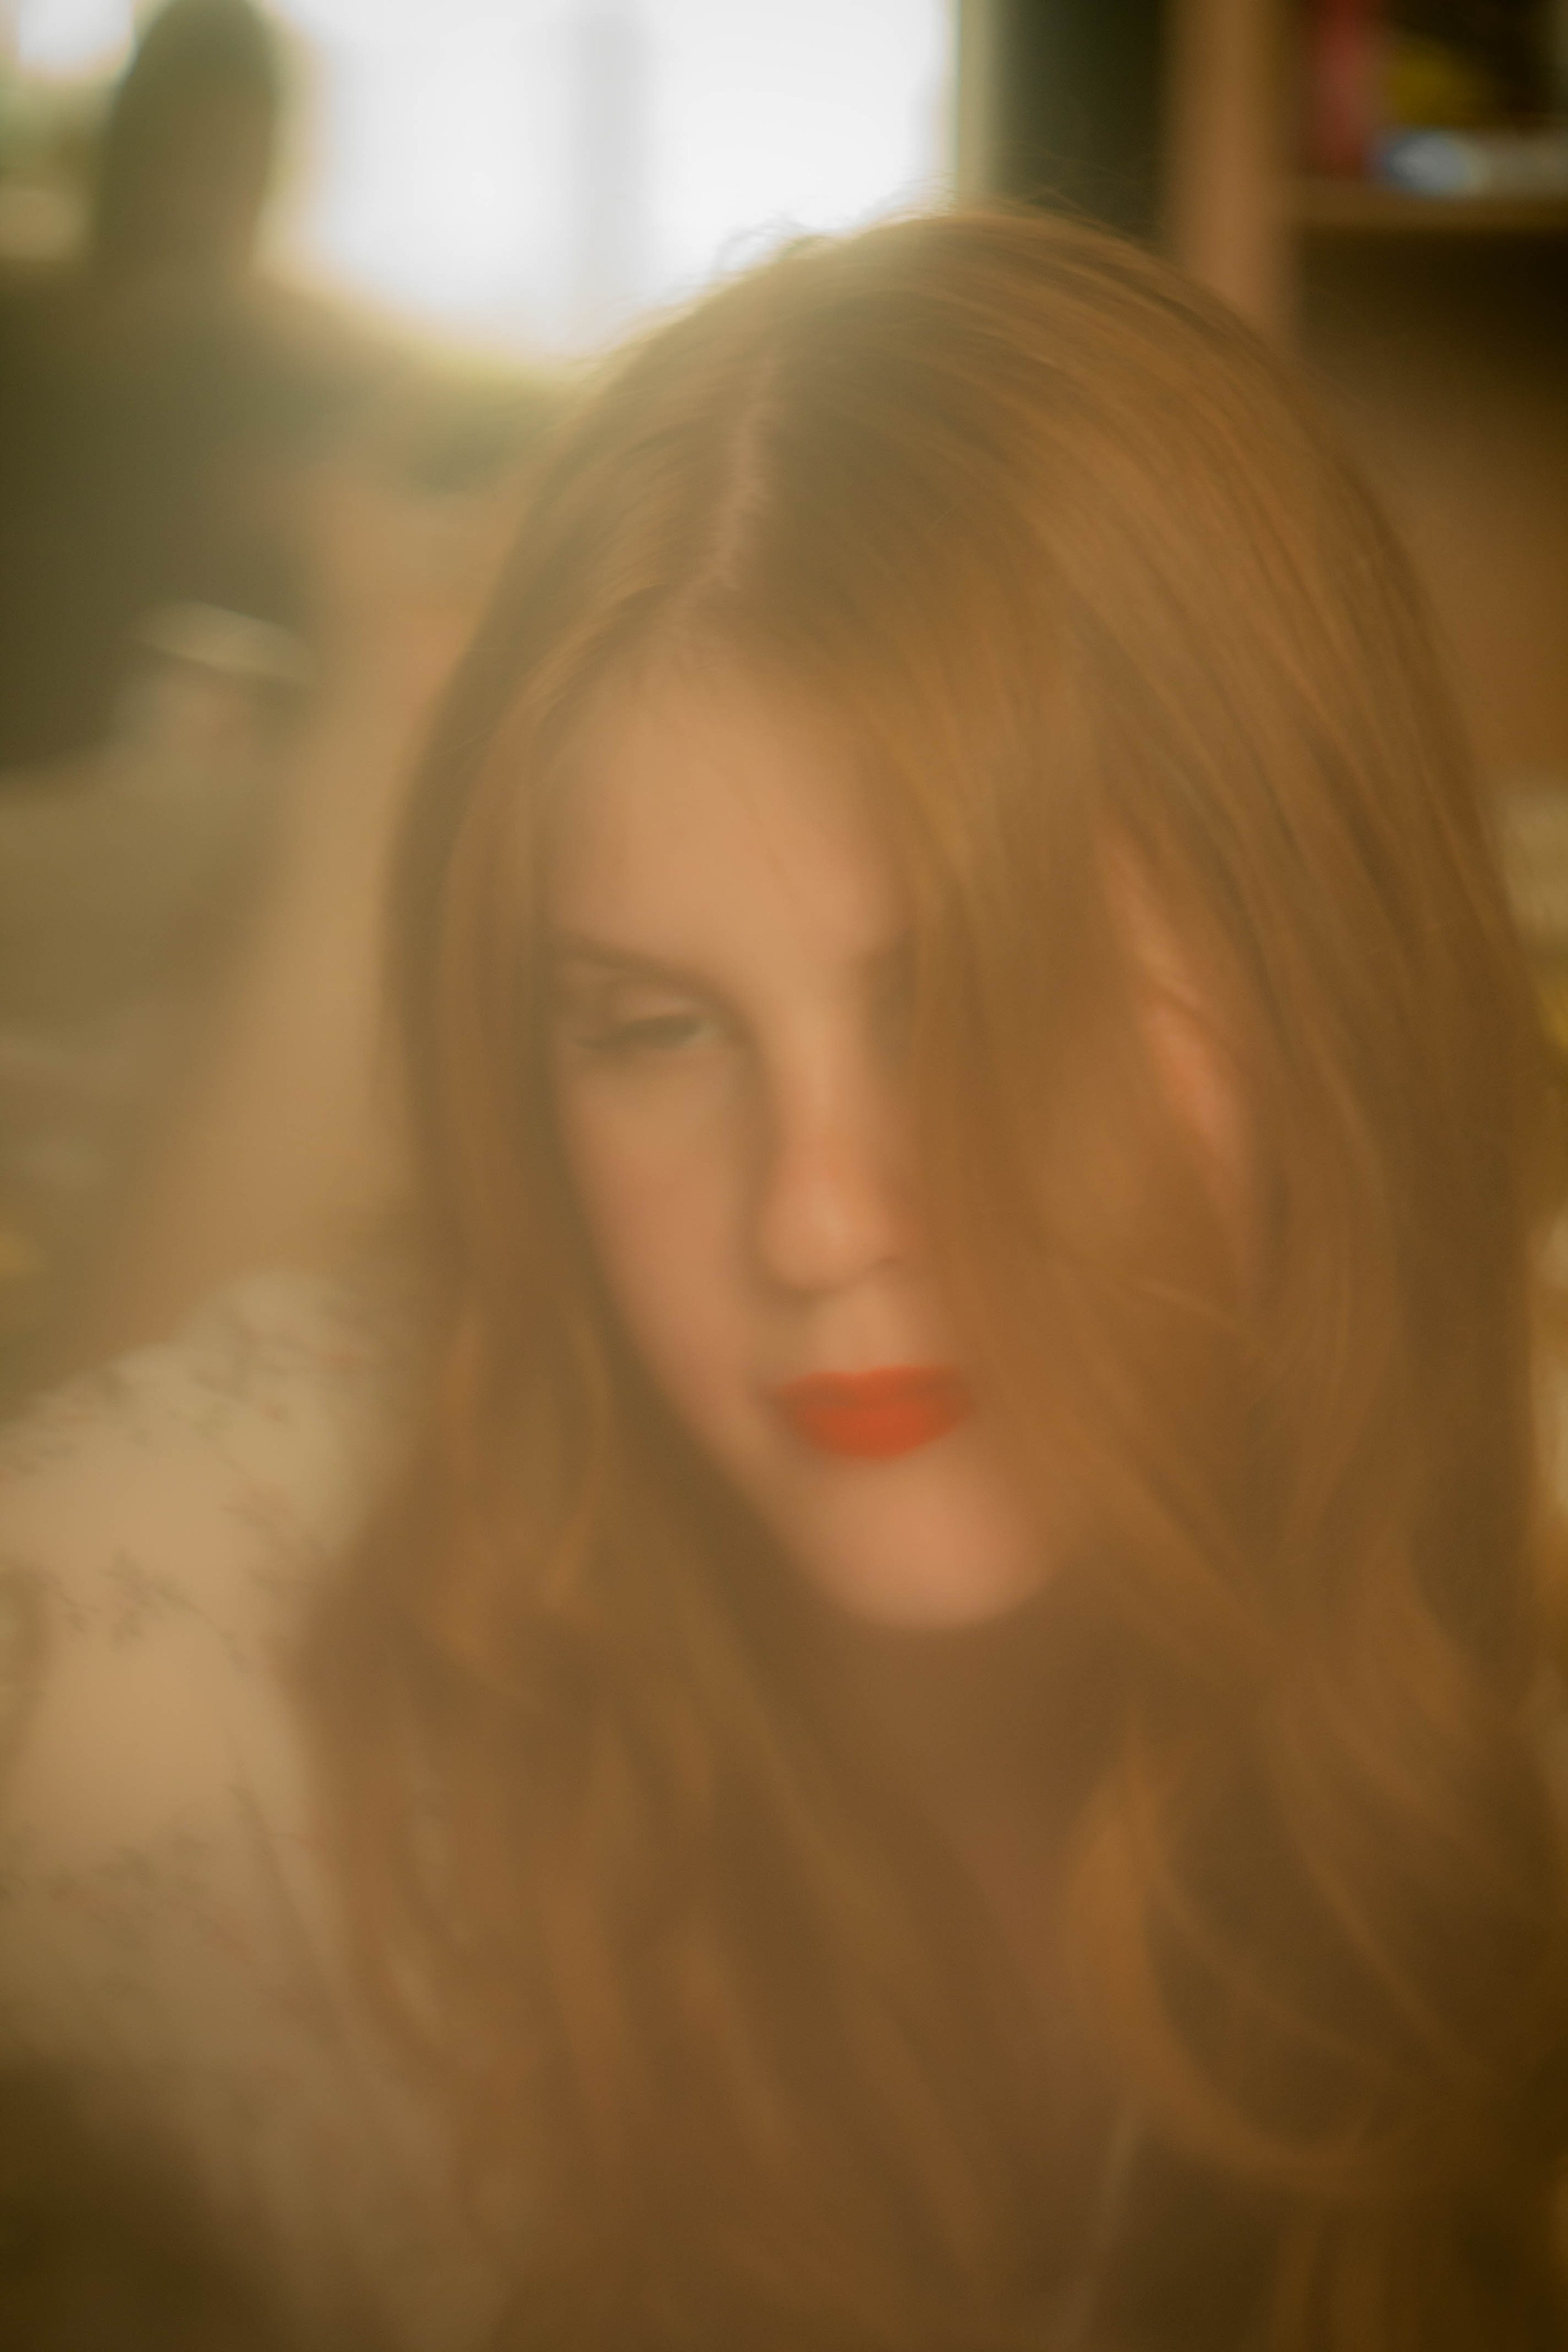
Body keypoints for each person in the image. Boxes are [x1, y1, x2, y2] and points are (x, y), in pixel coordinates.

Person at [0, 208, 1564, 2352]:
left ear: (1326, 979)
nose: (816, 1224)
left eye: (976, 1002)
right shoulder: (200, 1666)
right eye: (652, 1030)